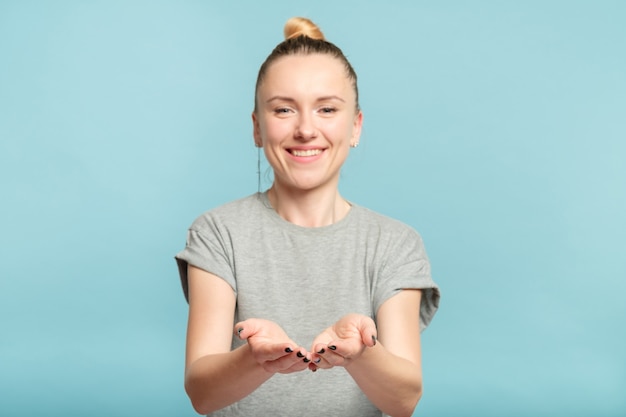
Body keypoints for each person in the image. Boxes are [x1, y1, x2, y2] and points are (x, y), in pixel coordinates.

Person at [175, 16, 440, 417]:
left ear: (355, 126)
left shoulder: (395, 243)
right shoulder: (217, 233)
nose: (305, 129)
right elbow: (201, 393)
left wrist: (358, 353)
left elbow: (404, 399)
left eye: (326, 109)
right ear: (257, 128)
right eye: (284, 109)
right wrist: (255, 359)